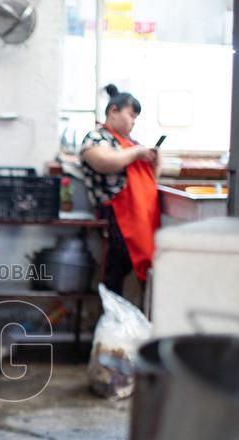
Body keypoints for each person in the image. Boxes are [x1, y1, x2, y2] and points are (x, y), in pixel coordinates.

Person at [79, 84, 161, 296]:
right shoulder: (96, 138)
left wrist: (154, 163)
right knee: (114, 275)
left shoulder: (133, 144)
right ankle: (112, 323)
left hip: (142, 217)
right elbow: (105, 162)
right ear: (113, 111)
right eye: (131, 115)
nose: (133, 121)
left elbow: (149, 182)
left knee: (147, 273)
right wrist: (137, 153)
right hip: (116, 216)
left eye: (136, 118)